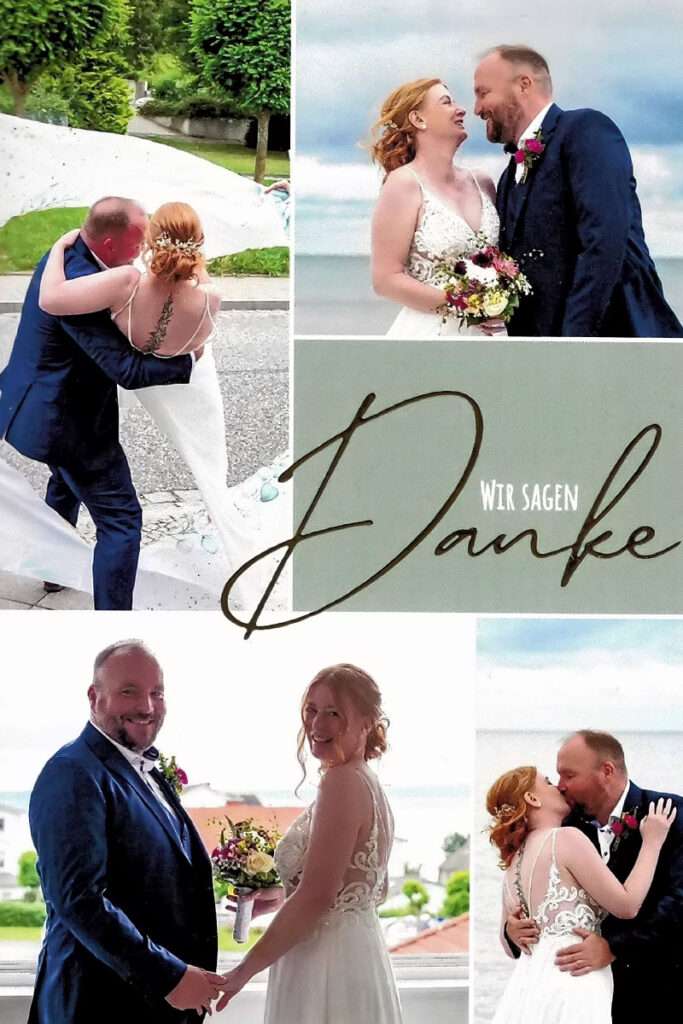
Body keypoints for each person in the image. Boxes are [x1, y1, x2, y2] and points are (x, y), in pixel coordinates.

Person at [1, 198, 275, 611]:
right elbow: (125, 369)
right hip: (62, 424)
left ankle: (50, 571)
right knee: (122, 521)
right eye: (136, 241)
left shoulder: (69, 259)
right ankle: (114, 622)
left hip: (29, 404)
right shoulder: (85, 282)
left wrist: (58, 245)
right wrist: (189, 361)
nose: (142, 249)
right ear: (109, 243)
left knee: (66, 481)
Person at [28, 640, 222, 1023]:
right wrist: (170, 978)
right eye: (129, 691)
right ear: (93, 696)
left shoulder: (143, 769)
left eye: (156, 693)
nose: (146, 707)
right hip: (97, 1005)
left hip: (150, 1008)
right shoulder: (73, 772)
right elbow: (79, 900)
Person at [215, 664, 403, 1023]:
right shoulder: (367, 782)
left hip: (325, 965)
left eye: (334, 713)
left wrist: (242, 971)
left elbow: (317, 898)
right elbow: (343, 886)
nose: (318, 724)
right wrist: (275, 899)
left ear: (368, 720)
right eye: (312, 710)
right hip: (357, 956)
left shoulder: (341, 783)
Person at [473, 45, 683, 337]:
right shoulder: (509, 177)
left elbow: (604, 240)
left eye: (483, 93)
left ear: (524, 85)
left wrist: (574, 344)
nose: (477, 108)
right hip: (540, 351)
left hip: (614, 340)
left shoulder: (586, 130)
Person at [503, 731, 683, 1023]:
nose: (560, 786)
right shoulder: (563, 827)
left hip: (657, 994)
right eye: (556, 778)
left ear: (606, 772)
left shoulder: (668, 814)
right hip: (577, 995)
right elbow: (541, 900)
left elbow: (678, 903)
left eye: (569, 775)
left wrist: (614, 947)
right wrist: (511, 931)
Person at [370, 78, 505, 339]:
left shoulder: (484, 183)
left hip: (490, 334)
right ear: (419, 120)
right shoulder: (403, 184)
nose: (462, 109)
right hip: (432, 333)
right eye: (447, 102)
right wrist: (464, 305)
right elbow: (385, 279)